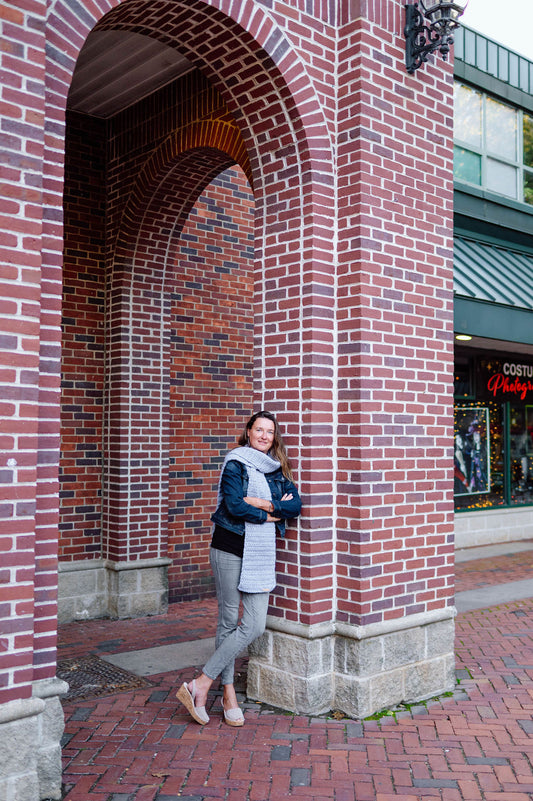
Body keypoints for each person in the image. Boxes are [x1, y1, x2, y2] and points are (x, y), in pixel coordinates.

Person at [177, 410, 301, 727]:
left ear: (275, 438)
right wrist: (271, 514)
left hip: (259, 555)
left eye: (269, 432)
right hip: (229, 547)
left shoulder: (277, 471)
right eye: (258, 429)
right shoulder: (235, 464)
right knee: (229, 619)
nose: (263, 435)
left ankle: (201, 683)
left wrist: (262, 504)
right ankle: (228, 691)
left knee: (255, 624)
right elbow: (233, 505)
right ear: (248, 432)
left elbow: (294, 506)